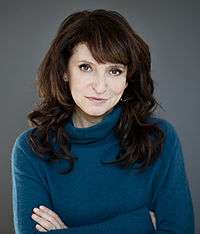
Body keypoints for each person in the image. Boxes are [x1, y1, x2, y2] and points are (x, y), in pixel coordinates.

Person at [11, 9, 195, 233]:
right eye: (86, 67)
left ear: (128, 79)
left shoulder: (158, 139)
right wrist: (138, 224)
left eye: (114, 71)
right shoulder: (32, 149)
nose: (100, 87)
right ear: (64, 71)